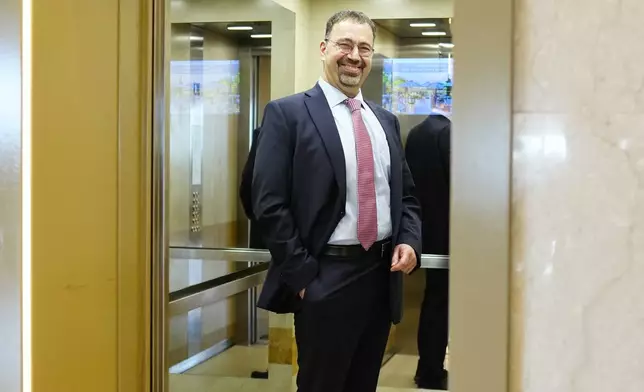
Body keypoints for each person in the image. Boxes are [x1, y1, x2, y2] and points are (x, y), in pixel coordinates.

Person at [250, 10, 422, 392]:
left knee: (363, 384)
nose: (354, 56)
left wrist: (409, 240)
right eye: (345, 45)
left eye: (364, 48)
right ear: (324, 48)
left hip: (381, 277)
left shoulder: (385, 121)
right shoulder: (288, 114)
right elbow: (268, 203)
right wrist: (304, 276)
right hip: (325, 276)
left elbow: (406, 196)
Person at [405, 113, 451, 390]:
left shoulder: (417, 133)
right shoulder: (447, 133)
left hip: (420, 232)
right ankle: (431, 371)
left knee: (434, 300)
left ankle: (428, 366)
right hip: (447, 234)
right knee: (440, 303)